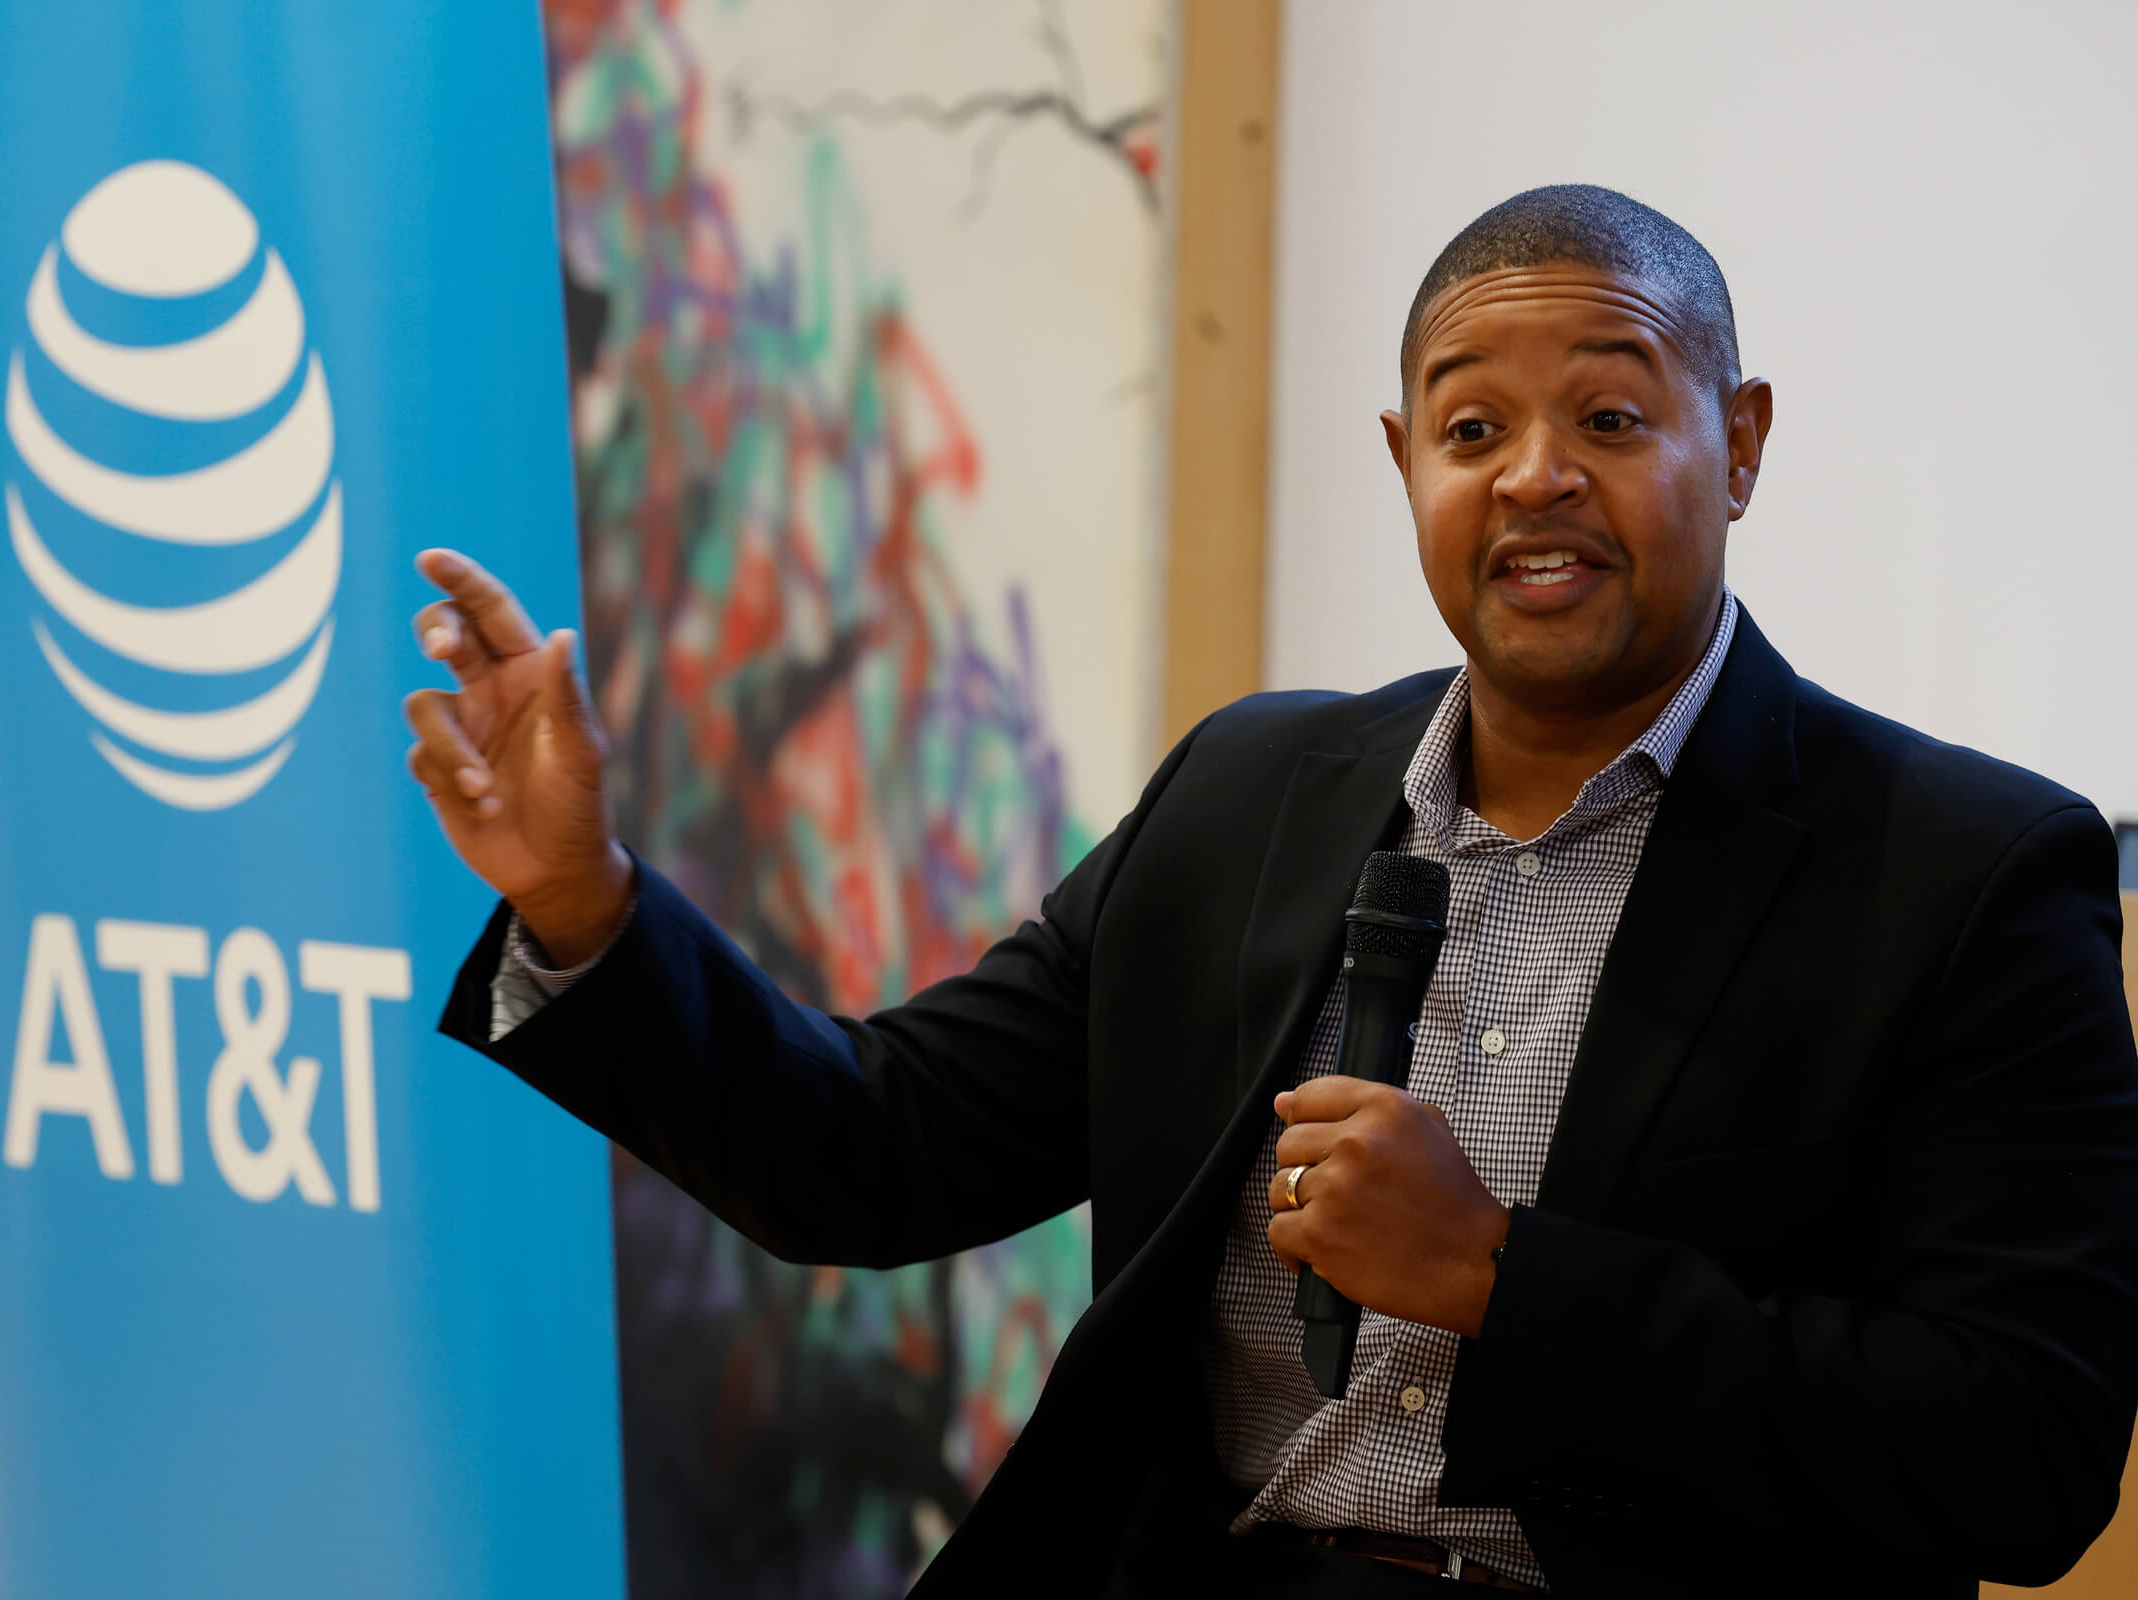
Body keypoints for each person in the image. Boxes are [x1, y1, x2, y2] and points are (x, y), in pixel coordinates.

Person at [402, 185, 2138, 1597]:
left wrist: (1499, 1277)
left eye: (1611, 418)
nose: (1535, 474)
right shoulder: (1252, 795)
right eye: (1473, 426)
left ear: (1740, 443)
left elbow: (2026, 1454)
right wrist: (590, 907)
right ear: (1406, 463)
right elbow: (873, 1148)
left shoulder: (1961, 876)